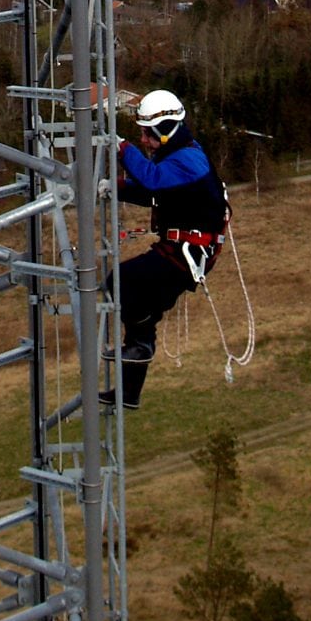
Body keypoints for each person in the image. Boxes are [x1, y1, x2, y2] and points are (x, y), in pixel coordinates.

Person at [106, 88, 228, 411]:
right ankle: (129, 392)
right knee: (142, 310)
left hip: (183, 255)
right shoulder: (178, 158)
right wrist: (116, 189)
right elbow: (153, 193)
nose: (144, 141)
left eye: (147, 135)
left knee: (119, 282)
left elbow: (152, 181)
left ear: (165, 129)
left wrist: (121, 147)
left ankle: (140, 346)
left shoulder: (189, 159)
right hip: (181, 251)